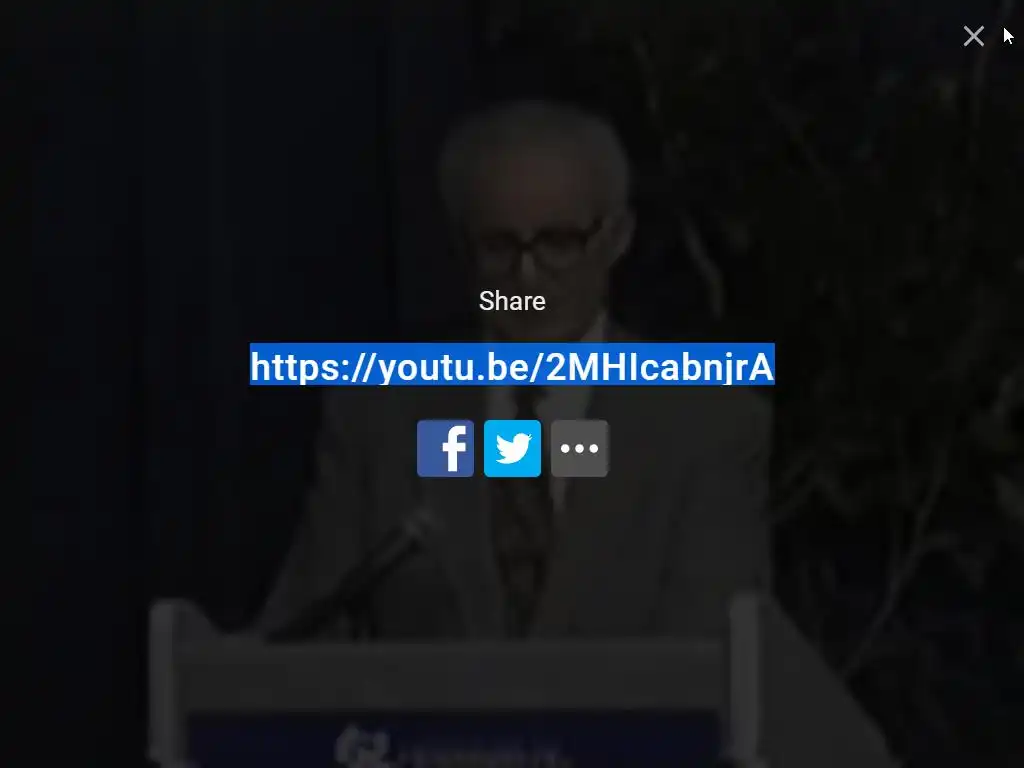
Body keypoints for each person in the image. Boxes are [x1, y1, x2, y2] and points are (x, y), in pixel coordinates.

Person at [255, 100, 772, 640]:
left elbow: (718, 662)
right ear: (462, 248)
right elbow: (298, 646)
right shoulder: (377, 420)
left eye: (559, 243)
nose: (527, 278)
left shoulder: (708, 428)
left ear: (618, 238)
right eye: (499, 246)